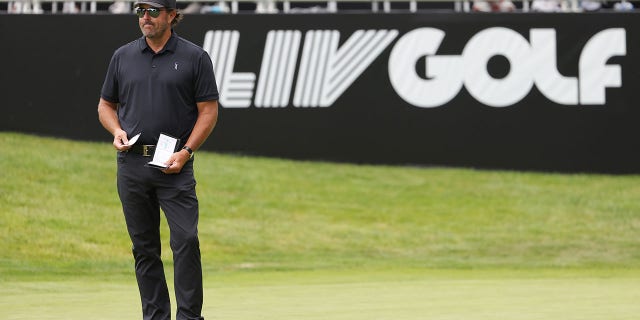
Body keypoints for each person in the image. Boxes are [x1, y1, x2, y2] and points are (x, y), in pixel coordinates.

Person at [97, 0, 219, 318]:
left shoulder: (195, 57)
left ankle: (190, 316)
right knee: (145, 249)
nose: (145, 18)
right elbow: (105, 105)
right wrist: (116, 131)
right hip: (132, 164)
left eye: (153, 11)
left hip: (174, 165)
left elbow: (208, 111)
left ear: (171, 15)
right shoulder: (123, 56)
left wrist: (187, 151)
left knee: (186, 240)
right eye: (140, 11)